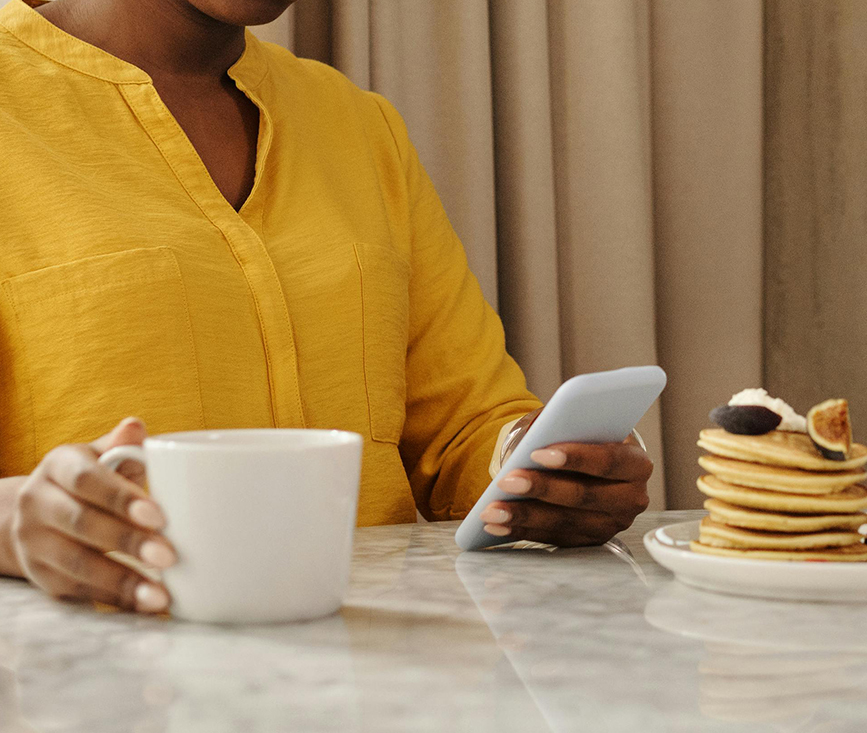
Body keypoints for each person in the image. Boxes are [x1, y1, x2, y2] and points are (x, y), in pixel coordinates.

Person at [0, 0, 653, 614]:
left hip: (372, 683)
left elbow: (464, 430)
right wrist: (14, 522)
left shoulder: (360, 126)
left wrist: (544, 471)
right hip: (93, 697)